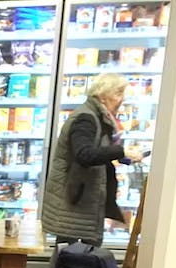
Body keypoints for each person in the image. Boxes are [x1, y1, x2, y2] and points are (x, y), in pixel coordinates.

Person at [41, 72, 145, 247]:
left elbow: (99, 153)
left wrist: (124, 158)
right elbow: (84, 154)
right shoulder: (86, 119)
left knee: (73, 258)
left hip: (82, 201)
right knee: (76, 260)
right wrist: (121, 151)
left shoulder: (97, 116)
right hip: (76, 202)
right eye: (118, 94)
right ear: (102, 96)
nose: (122, 100)